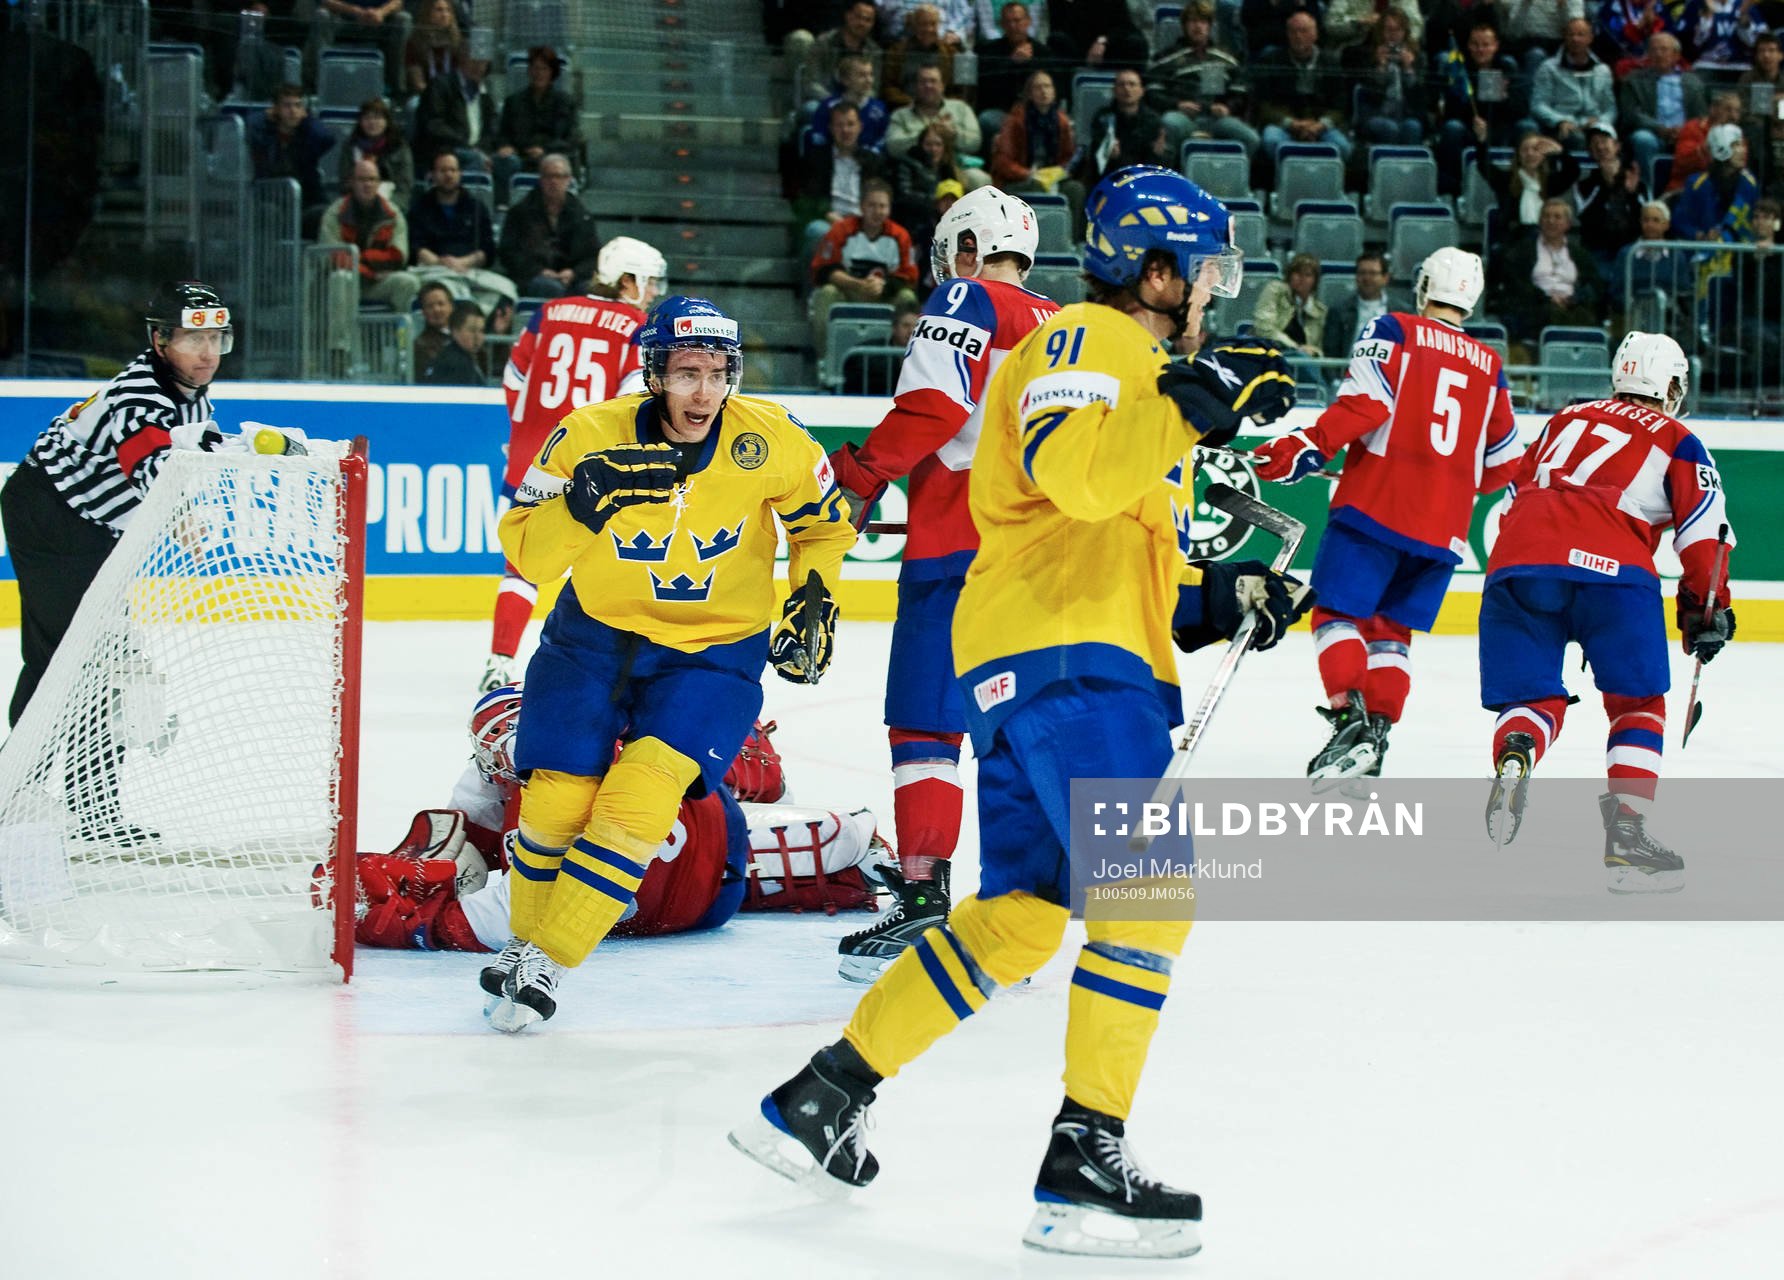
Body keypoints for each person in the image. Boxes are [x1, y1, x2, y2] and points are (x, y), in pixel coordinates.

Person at [730, 166, 1308, 1259]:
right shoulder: (1090, 338)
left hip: (1044, 655)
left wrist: (1213, 599)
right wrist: (1191, 404)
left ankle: (823, 1093)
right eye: (1203, 275)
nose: (1211, 296)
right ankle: (1085, 1158)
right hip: (1069, 663)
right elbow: (1073, 476)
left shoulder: (1127, 365)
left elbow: (1095, 533)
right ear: (1155, 272)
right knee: (1150, 895)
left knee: (1020, 917)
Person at [481, 297, 856, 1031]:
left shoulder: (772, 438)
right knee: (555, 797)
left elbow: (825, 527)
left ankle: (546, 959)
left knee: (643, 795)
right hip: (595, 635)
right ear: (654, 374)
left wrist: (814, 595)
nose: (704, 391)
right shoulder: (587, 434)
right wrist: (581, 504)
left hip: (715, 649)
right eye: (686, 372)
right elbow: (527, 553)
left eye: (718, 372)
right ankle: (528, 943)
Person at [824, 186, 1060, 982]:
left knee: (926, 725)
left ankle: (925, 899)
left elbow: (932, 406)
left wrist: (861, 476)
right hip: (1048, 562)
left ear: (967, 249)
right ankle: (1020, 909)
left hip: (958, 551)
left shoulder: (966, 298)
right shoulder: (1068, 324)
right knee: (1019, 731)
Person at [1253, 247, 1522, 781]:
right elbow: (1504, 464)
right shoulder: (1490, 366)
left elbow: (1366, 406)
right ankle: (1375, 740)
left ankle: (1348, 722)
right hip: (1443, 530)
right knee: (1391, 634)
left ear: (1423, 288)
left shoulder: (1395, 329)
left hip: (1376, 507)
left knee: (1335, 614)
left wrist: (1307, 445)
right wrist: (1448, 482)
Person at [1479, 332, 1734, 893]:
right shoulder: (1679, 438)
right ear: (1670, 386)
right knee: (1636, 703)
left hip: (1519, 563)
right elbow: (1705, 537)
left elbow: (1511, 500)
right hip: (1613, 570)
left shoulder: (1563, 420)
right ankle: (1626, 834)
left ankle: (1518, 750)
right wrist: (1706, 609)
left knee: (1530, 698)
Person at [353, 688, 890, 954]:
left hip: (683, 898)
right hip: (706, 862)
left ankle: (841, 849)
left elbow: (507, 918)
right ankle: (843, 851)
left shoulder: (540, 800)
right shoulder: (587, 743)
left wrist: (406, 922)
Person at [0, 283, 245, 841]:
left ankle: (73, 803)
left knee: (95, 660)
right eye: (194, 339)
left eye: (217, 339)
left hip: (88, 526)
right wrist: (181, 513)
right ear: (160, 341)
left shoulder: (190, 394)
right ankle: (23, 792)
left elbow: (188, 451)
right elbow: (149, 462)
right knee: (74, 661)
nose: (208, 353)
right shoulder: (140, 395)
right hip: (52, 514)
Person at [487, 235, 667, 692]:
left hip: (533, 456)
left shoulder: (549, 312)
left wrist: (524, 432)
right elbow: (631, 400)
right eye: (648, 281)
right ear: (625, 280)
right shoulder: (634, 325)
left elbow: (514, 378)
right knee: (612, 566)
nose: (652, 292)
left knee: (520, 567)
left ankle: (499, 662)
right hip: (594, 464)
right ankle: (612, 668)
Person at [807, 179, 922, 352]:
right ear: (861, 207)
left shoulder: (900, 236)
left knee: (907, 297)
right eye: (872, 205)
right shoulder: (842, 230)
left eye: (882, 206)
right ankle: (825, 357)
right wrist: (858, 285)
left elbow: (909, 276)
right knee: (826, 293)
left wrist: (883, 286)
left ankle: (904, 356)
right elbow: (824, 270)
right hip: (848, 292)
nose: (877, 211)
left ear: (889, 209)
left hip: (883, 294)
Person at [1147, 0, 1261, 161]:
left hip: (1217, 119)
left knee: (1251, 138)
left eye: (1202, 21)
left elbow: (1241, 90)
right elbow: (1152, 92)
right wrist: (1177, 105)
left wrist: (1228, 107)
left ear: (1210, 26)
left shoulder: (1224, 57)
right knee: (1169, 122)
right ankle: (1168, 175)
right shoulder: (1167, 57)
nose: (1198, 26)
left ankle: (1226, 176)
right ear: (1184, 26)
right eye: (1193, 21)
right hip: (1183, 117)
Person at [407, 150, 516, 315]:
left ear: (460, 173)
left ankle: (477, 326)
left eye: (453, 170)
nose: (449, 175)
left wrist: (464, 262)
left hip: (468, 269)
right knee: (453, 292)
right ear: (433, 175)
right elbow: (415, 246)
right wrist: (439, 261)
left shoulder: (476, 207)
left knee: (507, 290)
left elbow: (487, 249)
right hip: (434, 270)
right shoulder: (420, 207)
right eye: (443, 170)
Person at [1492, 197, 1607, 343]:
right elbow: (1516, 283)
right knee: (1550, 314)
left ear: (1567, 224)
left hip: (1573, 304)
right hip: (1537, 306)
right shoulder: (1523, 251)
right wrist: (1546, 298)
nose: (1551, 221)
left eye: (1557, 217)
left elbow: (1594, 284)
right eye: (1546, 216)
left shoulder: (1580, 254)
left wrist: (1574, 299)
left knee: (1584, 317)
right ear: (1540, 221)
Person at [1253, 10, 1355, 165]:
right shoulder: (1272, 60)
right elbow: (1264, 105)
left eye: (1304, 31)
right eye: (1293, 31)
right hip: (1284, 122)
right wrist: (1293, 124)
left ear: (1315, 34)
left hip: (1321, 123)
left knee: (1342, 147)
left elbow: (1340, 105)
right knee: (1271, 140)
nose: (1298, 36)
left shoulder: (1330, 62)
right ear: (1287, 34)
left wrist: (1320, 125)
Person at [320, 159, 420, 313]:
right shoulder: (335, 213)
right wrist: (370, 272)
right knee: (340, 278)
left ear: (379, 183)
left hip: (378, 282)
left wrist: (362, 261)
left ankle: (399, 329)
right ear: (352, 182)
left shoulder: (392, 214)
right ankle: (342, 330)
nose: (367, 184)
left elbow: (397, 256)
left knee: (409, 282)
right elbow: (332, 257)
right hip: (345, 279)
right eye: (362, 179)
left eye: (372, 179)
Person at [497, 153, 601, 296]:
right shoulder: (520, 212)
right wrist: (539, 271)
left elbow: (593, 255)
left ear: (568, 179)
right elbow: (508, 253)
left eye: (559, 176)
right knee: (550, 288)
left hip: (572, 276)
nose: (554, 181)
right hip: (532, 275)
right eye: (548, 176)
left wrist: (573, 273)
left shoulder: (581, 215)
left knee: (590, 289)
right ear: (541, 179)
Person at [494, 44, 582, 199]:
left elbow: (571, 139)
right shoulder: (513, 102)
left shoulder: (565, 102)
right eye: (535, 68)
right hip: (521, 157)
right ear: (529, 70)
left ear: (552, 72)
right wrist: (506, 146)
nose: (539, 73)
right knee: (504, 162)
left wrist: (545, 150)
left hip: (553, 156)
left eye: (544, 69)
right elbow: (503, 133)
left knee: (556, 165)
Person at [1622, 32, 1710, 184]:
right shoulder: (1634, 79)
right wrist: (1660, 129)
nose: (1658, 54)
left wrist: (1685, 131)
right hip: (1653, 133)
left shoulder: (1693, 82)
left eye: (1664, 50)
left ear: (1676, 55)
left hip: (1686, 134)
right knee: (1643, 140)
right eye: (1654, 50)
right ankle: (1646, 188)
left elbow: (1701, 115)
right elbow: (1632, 114)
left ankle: (1693, 189)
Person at [246, 84, 333, 236]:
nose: (293, 111)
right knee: (268, 212)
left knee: (326, 213)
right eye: (287, 106)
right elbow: (249, 125)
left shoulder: (307, 135)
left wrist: (308, 119)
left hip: (304, 202)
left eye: (298, 105)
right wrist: (265, 116)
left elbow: (327, 138)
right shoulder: (265, 135)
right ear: (276, 109)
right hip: (272, 199)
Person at [1530, 18, 1617, 145]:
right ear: (1564, 37)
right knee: (1576, 139)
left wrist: (1600, 122)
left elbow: (1610, 108)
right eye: (1571, 34)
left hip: (1595, 126)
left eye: (1580, 35)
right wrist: (1560, 121)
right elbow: (1538, 105)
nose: (1575, 39)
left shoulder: (1602, 70)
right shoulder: (1548, 68)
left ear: (1590, 38)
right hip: (1562, 125)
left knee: (1606, 142)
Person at [1670, 121, 1761, 239]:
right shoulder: (1697, 184)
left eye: (1742, 145)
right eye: (1735, 145)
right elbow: (1680, 221)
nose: (1743, 150)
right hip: (1704, 248)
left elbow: (1754, 221)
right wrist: (1701, 236)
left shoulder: (1749, 183)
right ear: (1719, 147)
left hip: (1738, 248)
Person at [1323, 251, 1410, 357]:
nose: (1367, 278)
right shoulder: (1338, 311)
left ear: (1385, 278)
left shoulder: (1402, 313)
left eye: (1373, 273)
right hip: (1349, 366)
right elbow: (1331, 354)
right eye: (1362, 273)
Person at [336, 97, 415, 209]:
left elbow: (404, 187)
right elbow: (344, 183)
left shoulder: (400, 147)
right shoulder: (350, 146)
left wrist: (388, 207)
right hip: (355, 204)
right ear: (360, 122)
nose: (372, 122)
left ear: (387, 121)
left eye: (377, 118)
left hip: (392, 204)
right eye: (367, 118)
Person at [1250, 253, 1327, 358]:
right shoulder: (1275, 291)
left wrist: (1315, 353)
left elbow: (1318, 348)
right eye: (1297, 273)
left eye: (1307, 275)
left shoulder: (1319, 312)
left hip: (1302, 361)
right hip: (1268, 353)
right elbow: (1264, 328)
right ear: (1289, 275)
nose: (1301, 278)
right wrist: (1296, 347)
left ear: (1315, 281)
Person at [420, 299, 486, 385]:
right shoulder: (457, 364)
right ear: (455, 331)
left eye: (481, 330)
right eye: (472, 330)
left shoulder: (458, 356)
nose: (477, 337)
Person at [413, 280, 455, 374]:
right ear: (423, 312)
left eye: (441, 304)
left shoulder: (464, 336)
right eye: (430, 306)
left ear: (451, 306)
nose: (436, 309)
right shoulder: (420, 346)